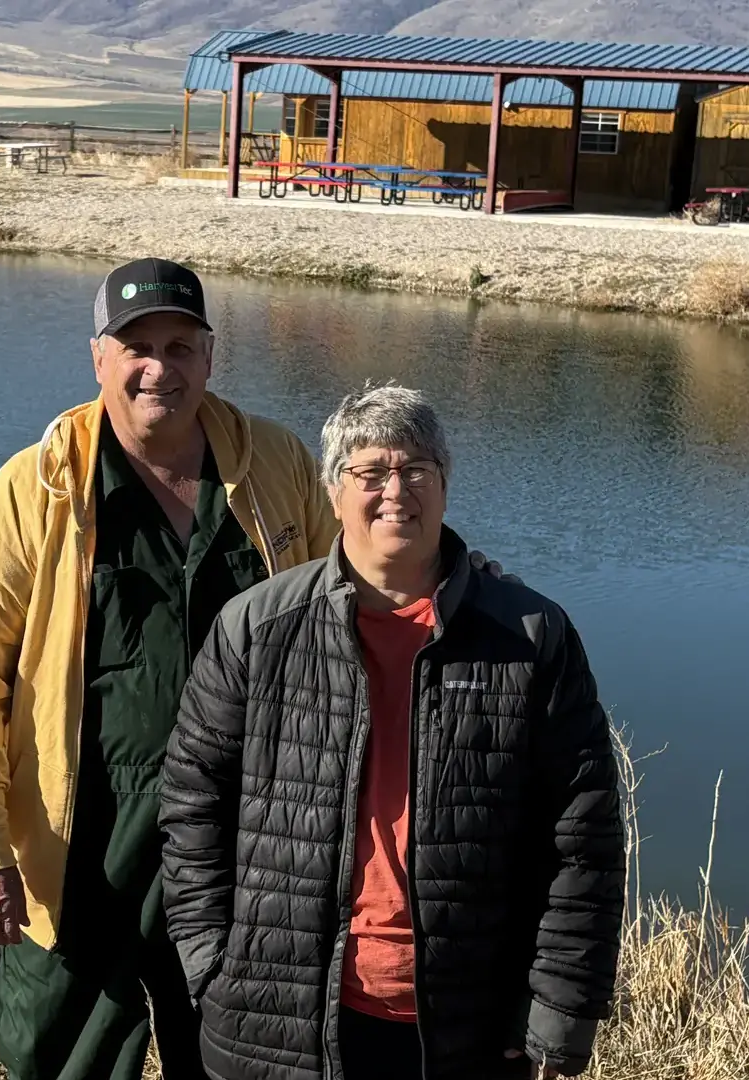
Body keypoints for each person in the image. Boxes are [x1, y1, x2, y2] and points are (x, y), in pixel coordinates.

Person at [0, 257, 337, 1080]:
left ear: (211, 357)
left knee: (241, 1058)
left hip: (241, 839)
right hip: (81, 841)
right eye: (138, 345)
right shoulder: (33, 492)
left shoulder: (277, 469)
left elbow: (351, 599)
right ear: (99, 359)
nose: (160, 367)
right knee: (60, 1057)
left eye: (181, 346)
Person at [158, 383, 626, 1080]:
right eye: (370, 472)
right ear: (332, 491)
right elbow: (192, 801)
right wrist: (211, 964)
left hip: (467, 1024)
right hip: (278, 1015)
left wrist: (559, 1011)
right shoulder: (257, 628)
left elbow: (582, 837)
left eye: (416, 470)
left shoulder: (530, 637)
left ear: (444, 483)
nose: (394, 491)